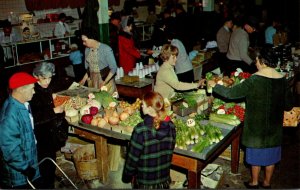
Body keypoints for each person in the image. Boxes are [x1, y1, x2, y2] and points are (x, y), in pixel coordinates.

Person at [207, 47, 293, 189]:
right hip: (274, 128)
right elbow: (289, 105)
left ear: (262, 61)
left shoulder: (254, 80)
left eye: (257, 60)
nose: (256, 63)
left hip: (256, 129)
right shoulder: (282, 80)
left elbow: (231, 94)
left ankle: (254, 182)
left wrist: (215, 86)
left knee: (256, 157)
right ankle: (267, 183)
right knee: (271, 156)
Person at [122, 91, 176, 189]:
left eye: (143, 105)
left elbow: (132, 159)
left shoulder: (140, 130)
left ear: (150, 108)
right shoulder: (171, 126)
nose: (141, 106)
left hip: (145, 182)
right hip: (164, 181)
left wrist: (127, 176)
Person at [0, 72, 42, 189]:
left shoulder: (22, 104)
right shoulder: (9, 115)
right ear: (20, 90)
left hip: (29, 163)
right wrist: (25, 167)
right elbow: (10, 148)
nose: (34, 92)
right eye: (32, 89)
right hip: (18, 175)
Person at [29, 62, 65, 189]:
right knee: (45, 166)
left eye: (49, 78)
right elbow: (34, 118)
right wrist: (53, 111)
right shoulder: (32, 92)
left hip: (49, 133)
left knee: (51, 162)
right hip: (40, 136)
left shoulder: (46, 88)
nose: (47, 81)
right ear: (36, 76)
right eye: (44, 78)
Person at [80, 29, 118, 96]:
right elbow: (89, 68)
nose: (83, 43)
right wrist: (83, 80)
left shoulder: (106, 49)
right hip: (92, 81)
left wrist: (105, 81)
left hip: (105, 80)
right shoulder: (87, 50)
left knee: (107, 101)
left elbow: (114, 68)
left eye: (85, 41)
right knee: (94, 102)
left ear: (92, 39)